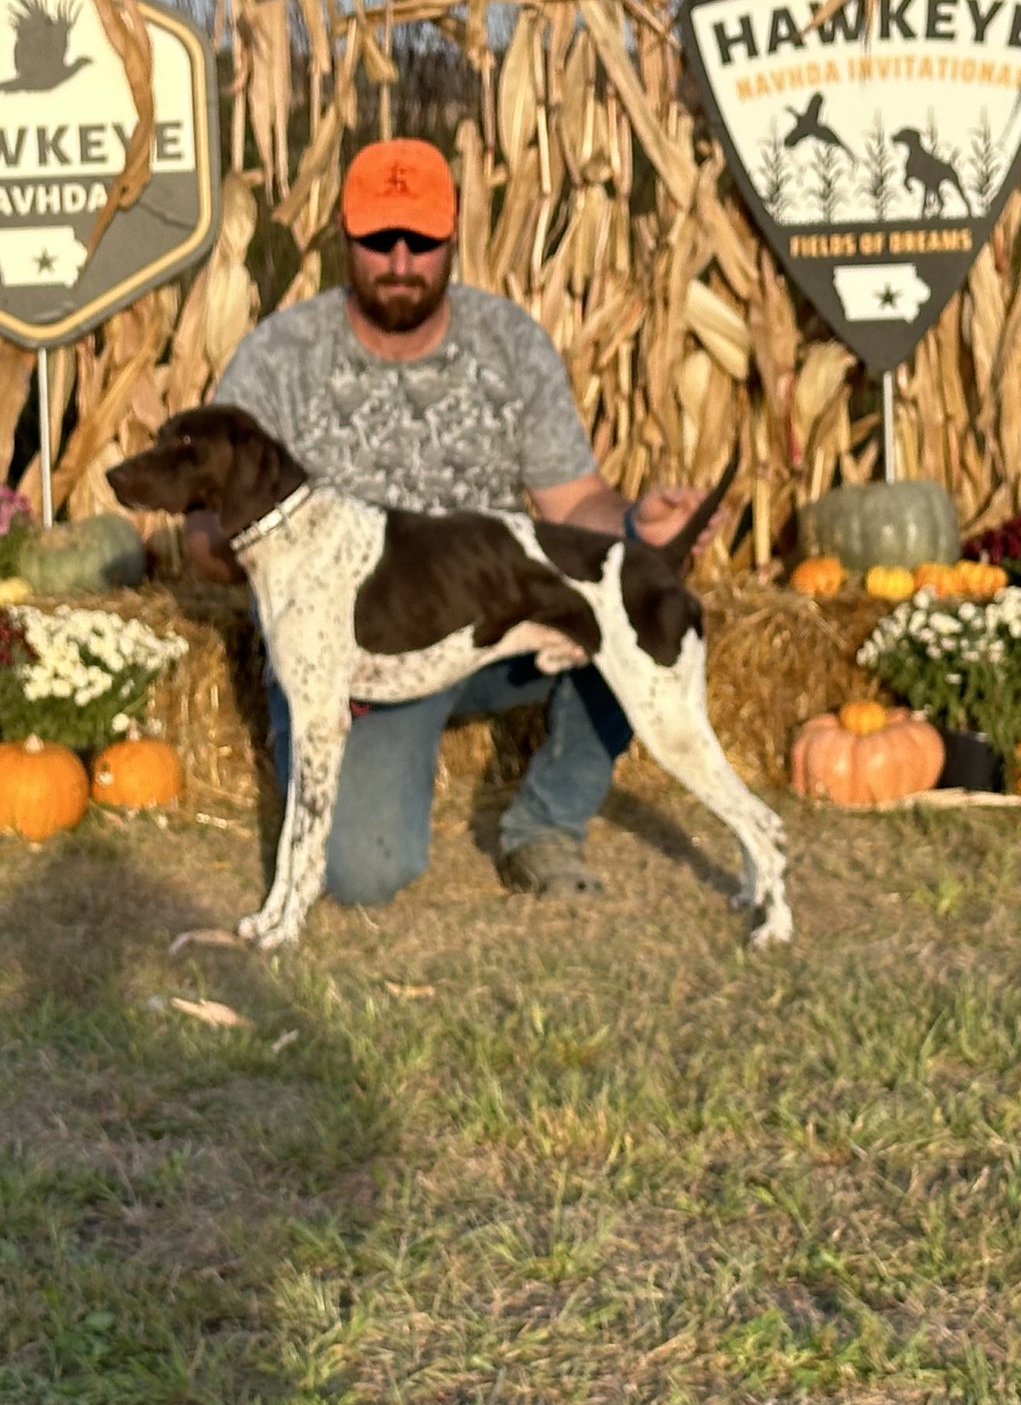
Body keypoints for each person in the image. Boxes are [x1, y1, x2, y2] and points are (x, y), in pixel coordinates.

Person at [188, 135, 717, 906]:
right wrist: (221, 542)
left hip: (492, 628)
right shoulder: (278, 360)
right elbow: (208, 532)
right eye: (378, 239)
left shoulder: (510, 343)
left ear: (454, 234)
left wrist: (639, 524)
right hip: (361, 648)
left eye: (422, 239)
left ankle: (544, 825)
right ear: (344, 234)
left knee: (640, 605)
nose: (400, 259)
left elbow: (574, 507)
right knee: (361, 874)